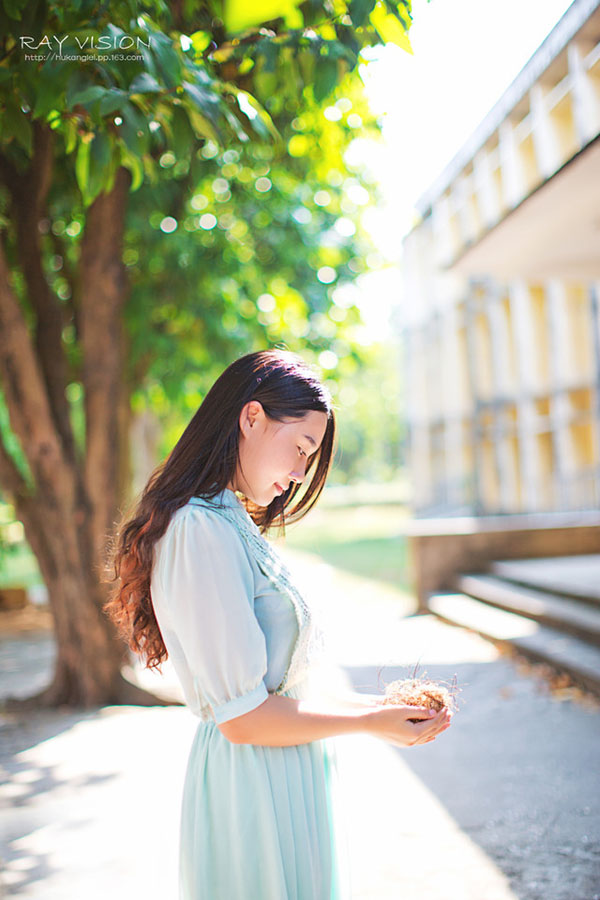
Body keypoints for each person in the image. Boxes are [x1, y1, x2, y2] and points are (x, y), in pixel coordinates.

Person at [106, 348, 452, 900]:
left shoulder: (230, 520)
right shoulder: (200, 529)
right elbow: (242, 718)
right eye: (300, 449)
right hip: (252, 788)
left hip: (287, 774)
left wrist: (383, 711)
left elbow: (280, 690)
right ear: (251, 417)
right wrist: (369, 724)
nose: (298, 475)